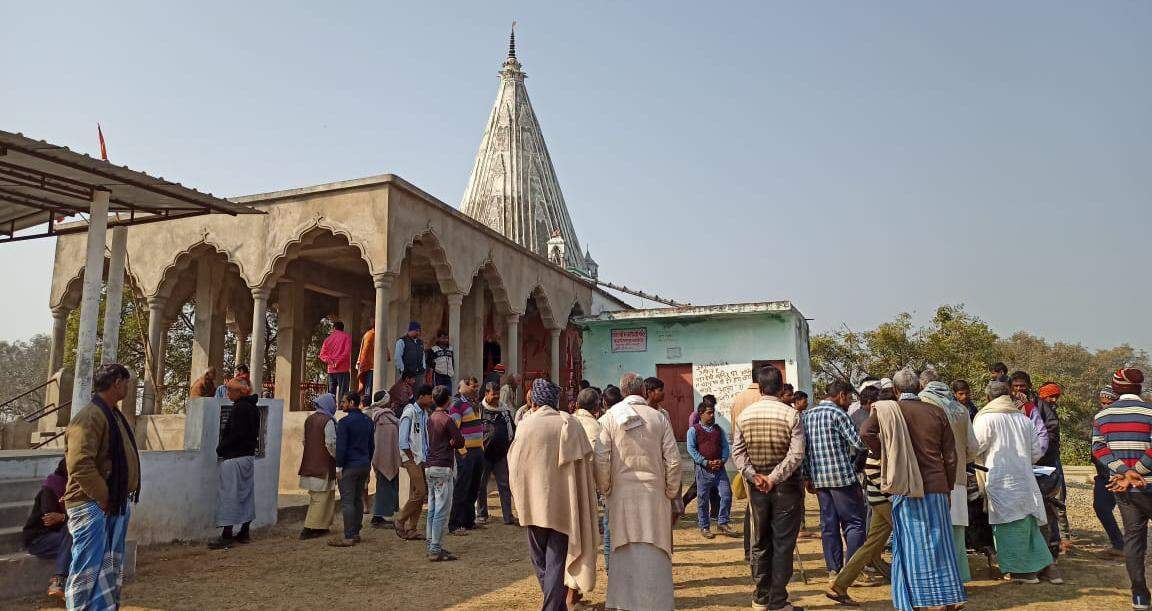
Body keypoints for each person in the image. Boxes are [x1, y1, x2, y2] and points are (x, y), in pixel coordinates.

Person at [860, 368, 965, 611]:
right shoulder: (937, 412)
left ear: (895, 390)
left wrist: (886, 453)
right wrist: (948, 488)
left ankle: (919, 599)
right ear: (919, 388)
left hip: (905, 485)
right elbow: (951, 456)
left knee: (911, 543)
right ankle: (946, 598)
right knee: (940, 542)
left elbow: (866, 432)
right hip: (936, 485)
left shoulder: (888, 410)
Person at [509, 378, 600, 611]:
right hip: (563, 504)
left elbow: (514, 465)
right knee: (556, 560)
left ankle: (552, 607)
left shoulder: (526, 426)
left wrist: (519, 498)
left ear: (535, 401)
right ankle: (556, 605)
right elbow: (585, 465)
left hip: (533, 503)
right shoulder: (571, 424)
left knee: (540, 560)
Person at [595, 372, 681, 611]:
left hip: (621, 495)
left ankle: (624, 603)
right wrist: (670, 491)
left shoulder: (609, 417)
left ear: (623, 392)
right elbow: (673, 460)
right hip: (655, 494)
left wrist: (607, 488)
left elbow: (601, 459)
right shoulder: (659, 418)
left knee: (623, 547)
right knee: (655, 548)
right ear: (643, 390)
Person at [62, 363, 140, 610]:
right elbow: (79, 463)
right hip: (91, 503)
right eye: (126, 382)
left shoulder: (111, 413)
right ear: (117, 382)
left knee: (106, 568)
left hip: (110, 502)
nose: (128, 387)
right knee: (88, 567)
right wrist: (103, 497)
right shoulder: (91, 416)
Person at [730, 364, 806, 611]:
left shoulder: (745, 416)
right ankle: (778, 600)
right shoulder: (791, 415)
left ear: (760, 388)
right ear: (781, 387)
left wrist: (755, 476)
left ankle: (761, 598)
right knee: (783, 543)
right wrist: (774, 477)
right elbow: (796, 455)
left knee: (760, 540)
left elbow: (738, 454)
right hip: (786, 487)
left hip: (757, 488)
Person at [972, 380, 1056, 584]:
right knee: (1028, 525)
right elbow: (1036, 452)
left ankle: (1022, 572)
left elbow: (974, 449)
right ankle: (1040, 568)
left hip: (1001, 481)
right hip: (1025, 480)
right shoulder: (1023, 420)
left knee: (1008, 526)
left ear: (988, 398)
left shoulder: (985, 419)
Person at [1092, 367, 1152, 610]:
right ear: (1139, 388)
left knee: (1134, 541)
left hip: (1126, 490)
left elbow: (1099, 448)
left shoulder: (1102, 416)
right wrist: (1137, 470)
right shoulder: (1150, 412)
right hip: (1144, 483)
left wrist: (1124, 472)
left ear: (1115, 389)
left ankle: (1139, 597)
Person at [801, 380, 867, 581]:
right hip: (843, 478)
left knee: (828, 526)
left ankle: (833, 570)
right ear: (841, 395)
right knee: (855, 523)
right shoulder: (839, 414)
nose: (849, 402)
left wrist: (807, 476)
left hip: (820, 480)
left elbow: (804, 451)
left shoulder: (807, 415)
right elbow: (859, 443)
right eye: (849, 398)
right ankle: (851, 570)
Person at [919, 370, 980, 583]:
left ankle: (937, 578)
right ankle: (959, 575)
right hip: (958, 478)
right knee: (956, 531)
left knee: (933, 530)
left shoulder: (922, 408)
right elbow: (973, 448)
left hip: (930, 479)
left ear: (922, 386)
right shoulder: (960, 410)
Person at [827, 427, 893, 605]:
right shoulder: (880, 442)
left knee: (871, 545)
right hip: (884, 500)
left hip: (880, 499)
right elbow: (871, 470)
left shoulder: (884, 439)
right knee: (908, 538)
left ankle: (840, 584)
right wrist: (892, 497)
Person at [209, 378, 262, 549]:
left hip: (234, 457)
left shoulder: (240, 408)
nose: (228, 393)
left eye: (231, 390)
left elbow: (236, 434)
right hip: (247, 457)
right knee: (246, 494)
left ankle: (227, 534)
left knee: (229, 496)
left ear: (241, 392)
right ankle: (244, 531)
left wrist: (221, 448)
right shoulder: (253, 408)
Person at [426, 385, 465, 561]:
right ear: (448, 400)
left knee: (432, 507)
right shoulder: (447, 419)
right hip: (443, 466)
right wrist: (452, 442)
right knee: (441, 509)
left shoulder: (431, 417)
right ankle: (435, 547)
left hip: (430, 465)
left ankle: (431, 542)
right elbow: (459, 440)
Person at [330, 391, 374, 547]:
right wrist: (368, 463)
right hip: (363, 464)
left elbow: (341, 447)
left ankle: (349, 535)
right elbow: (371, 446)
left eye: (344, 402)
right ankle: (355, 532)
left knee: (348, 501)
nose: (342, 405)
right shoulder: (368, 421)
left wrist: (338, 467)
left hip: (349, 466)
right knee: (357, 499)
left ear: (351, 402)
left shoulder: (344, 422)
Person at [23, 458, 71, 600]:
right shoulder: (51, 488)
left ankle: (73, 589)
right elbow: (50, 521)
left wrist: (63, 517)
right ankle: (59, 580)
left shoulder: (73, 489)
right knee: (73, 531)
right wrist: (66, 518)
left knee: (83, 541)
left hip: (59, 540)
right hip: (39, 540)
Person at [688, 401, 735, 539]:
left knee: (726, 494)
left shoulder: (718, 430)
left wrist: (723, 460)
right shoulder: (693, 430)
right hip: (703, 470)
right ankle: (704, 526)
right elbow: (691, 449)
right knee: (703, 499)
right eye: (709, 413)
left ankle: (723, 522)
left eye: (713, 412)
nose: (712, 415)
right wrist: (705, 462)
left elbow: (726, 447)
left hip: (720, 469)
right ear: (701, 414)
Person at [395, 384, 433, 540]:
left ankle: (412, 528)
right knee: (421, 492)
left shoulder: (424, 413)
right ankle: (400, 519)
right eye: (429, 396)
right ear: (422, 396)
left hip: (421, 457)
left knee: (416, 493)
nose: (431, 400)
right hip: (412, 458)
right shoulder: (410, 413)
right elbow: (403, 441)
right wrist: (411, 458)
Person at [1035, 381, 1069, 554]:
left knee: (1057, 499)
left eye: (1056, 396)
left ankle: (1064, 538)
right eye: (1051, 396)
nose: (1054, 399)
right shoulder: (1037, 408)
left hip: (1051, 460)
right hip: (1043, 462)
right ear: (1043, 395)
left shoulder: (1047, 410)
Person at [298, 393, 338, 540]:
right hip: (323, 465)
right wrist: (337, 457)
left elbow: (304, 441)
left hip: (310, 463)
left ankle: (321, 526)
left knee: (321, 496)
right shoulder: (328, 421)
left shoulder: (309, 419)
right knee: (320, 497)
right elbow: (331, 444)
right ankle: (309, 527)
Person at [477, 380, 517, 525]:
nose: (496, 398)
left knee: (505, 485)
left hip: (501, 455)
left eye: (498, 395)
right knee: (481, 485)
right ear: (486, 394)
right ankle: (482, 515)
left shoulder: (505, 410)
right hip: (484, 455)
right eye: (494, 395)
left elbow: (512, 428)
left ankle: (508, 516)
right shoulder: (479, 410)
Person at [449, 378, 485, 533]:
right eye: (471, 386)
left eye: (476, 386)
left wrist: (481, 448)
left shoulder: (475, 404)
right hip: (465, 452)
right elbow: (453, 430)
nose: (475, 388)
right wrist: (462, 451)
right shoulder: (457, 405)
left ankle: (468, 520)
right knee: (462, 488)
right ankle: (455, 524)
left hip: (478, 451)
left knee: (474, 487)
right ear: (461, 388)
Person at [1093, 387, 1125, 556]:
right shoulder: (1100, 419)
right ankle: (1119, 545)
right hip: (1104, 474)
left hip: (1123, 474)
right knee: (1101, 507)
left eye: (1109, 403)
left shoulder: (1125, 420)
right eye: (1103, 403)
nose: (1105, 406)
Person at [366, 390, 401, 529]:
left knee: (387, 487)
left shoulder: (389, 416)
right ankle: (377, 517)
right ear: (385, 401)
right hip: (381, 456)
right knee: (383, 487)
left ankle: (380, 516)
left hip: (387, 455)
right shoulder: (375, 416)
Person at [319, 321, 352, 400]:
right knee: (343, 392)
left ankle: (331, 409)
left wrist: (331, 362)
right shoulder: (347, 337)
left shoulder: (328, 339)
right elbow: (347, 352)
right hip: (343, 369)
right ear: (342, 328)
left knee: (331, 393)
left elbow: (322, 355)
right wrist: (338, 362)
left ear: (334, 328)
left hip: (331, 370)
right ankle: (341, 410)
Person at [356, 322, 376, 399]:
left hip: (370, 364)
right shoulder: (369, 335)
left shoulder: (369, 334)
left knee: (369, 386)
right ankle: (367, 403)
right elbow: (364, 350)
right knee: (368, 387)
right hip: (370, 365)